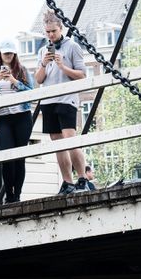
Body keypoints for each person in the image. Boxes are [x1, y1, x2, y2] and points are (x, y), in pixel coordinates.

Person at [34, 11, 92, 194]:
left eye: (53, 31)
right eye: (48, 32)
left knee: (70, 139)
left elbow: (82, 75)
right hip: (49, 100)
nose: (51, 35)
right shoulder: (43, 50)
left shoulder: (72, 47)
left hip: (67, 99)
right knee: (57, 142)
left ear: (61, 29)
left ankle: (82, 178)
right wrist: (44, 63)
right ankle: (68, 181)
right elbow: (39, 79)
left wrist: (62, 66)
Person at [0, 38, 35, 203]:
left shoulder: (22, 70)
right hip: (4, 118)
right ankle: (9, 194)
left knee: (20, 157)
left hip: (22, 116)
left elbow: (31, 92)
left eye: (11, 53)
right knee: (7, 158)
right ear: (0, 53)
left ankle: (16, 195)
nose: (8, 56)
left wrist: (14, 81)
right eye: (5, 53)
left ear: (15, 54)